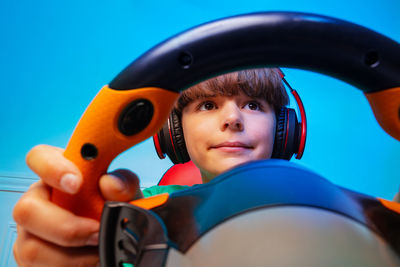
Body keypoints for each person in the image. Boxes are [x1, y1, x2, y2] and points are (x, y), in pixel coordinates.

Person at [12, 68, 288, 266]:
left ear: (284, 130)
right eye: (207, 105)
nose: (232, 119)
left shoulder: (324, 205)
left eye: (253, 104)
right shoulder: (138, 211)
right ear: (174, 130)